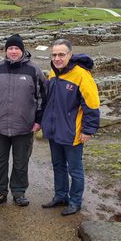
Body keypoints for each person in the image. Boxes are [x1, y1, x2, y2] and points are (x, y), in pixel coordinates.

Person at [0, 34, 47, 207]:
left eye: (16, 48)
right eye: (10, 48)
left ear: (22, 50)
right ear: (5, 50)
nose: (13, 51)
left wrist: (38, 120)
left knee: (21, 162)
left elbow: (42, 98)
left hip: (24, 126)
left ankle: (19, 192)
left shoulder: (34, 70)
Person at [40, 38, 100, 216]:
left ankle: (75, 202)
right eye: (54, 54)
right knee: (58, 165)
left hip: (72, 132)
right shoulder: (53, 72)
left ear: (70, 55)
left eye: (61, 54)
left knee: (75, 169)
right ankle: (60, 196)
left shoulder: (81, 75)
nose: (57, 58)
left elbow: (92, 104)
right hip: (54, 129)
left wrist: (88, 130)